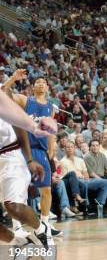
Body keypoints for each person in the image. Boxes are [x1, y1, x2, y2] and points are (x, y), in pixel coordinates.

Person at [4, 73, 60, 244]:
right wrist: (13, 79)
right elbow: (5, 93)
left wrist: (51, 148)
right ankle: (18, 230)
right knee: (18, 195)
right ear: (33, 87)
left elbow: (49, 128)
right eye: (38, 82)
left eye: (44, 82)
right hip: (21, 149)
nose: (41, 84)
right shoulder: (25, 100)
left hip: (34, 150)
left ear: (48, 88)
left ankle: (44, 225)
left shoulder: (51, 107)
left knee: (45, 190)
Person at [0, 115, 54, 260]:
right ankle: (21, 244)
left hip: (10, 154)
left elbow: (17, 122)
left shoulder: (2, 93)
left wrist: (29, 159)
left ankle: (41, 229)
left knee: (13, 206)